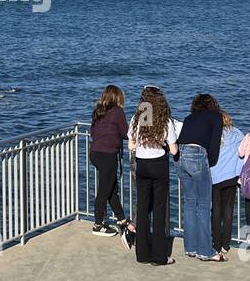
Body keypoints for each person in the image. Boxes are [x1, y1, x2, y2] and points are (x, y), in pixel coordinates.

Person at [128, 85, 179, 266]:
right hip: (158, 165)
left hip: (141, 165)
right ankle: (159, 256)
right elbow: (173, 150)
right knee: (159, 210)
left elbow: (131, 146)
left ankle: (142, 254)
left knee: (142, 208)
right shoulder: (164, 120)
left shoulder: (137, 118)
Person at [175, 94, 219, 260]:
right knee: (203, 204)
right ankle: (205, 251)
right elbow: (214, 145)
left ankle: (191, 247)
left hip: (181, 155)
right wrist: (210, 163)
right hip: (197, 154)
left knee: (189, 203)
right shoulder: (215, 117)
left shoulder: (189, 118)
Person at [208, 99, 246, 261]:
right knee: (228, 211)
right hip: (231, 177)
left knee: (215, 211)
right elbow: (243, 155)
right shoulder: (237, 133)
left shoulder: (213, 134)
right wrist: (238, 174)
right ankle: (226, 243)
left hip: (215, 177)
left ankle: (215, 244)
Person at [88, 84, 128, 236]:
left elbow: (93, 130)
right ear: (118, 97)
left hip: (95, 152)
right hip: (108, 154)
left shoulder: (97, 110)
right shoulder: (118, 111)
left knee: (111, 188)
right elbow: (125, 133)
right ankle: (97, 225)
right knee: (105, 190)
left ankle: (122, 220)